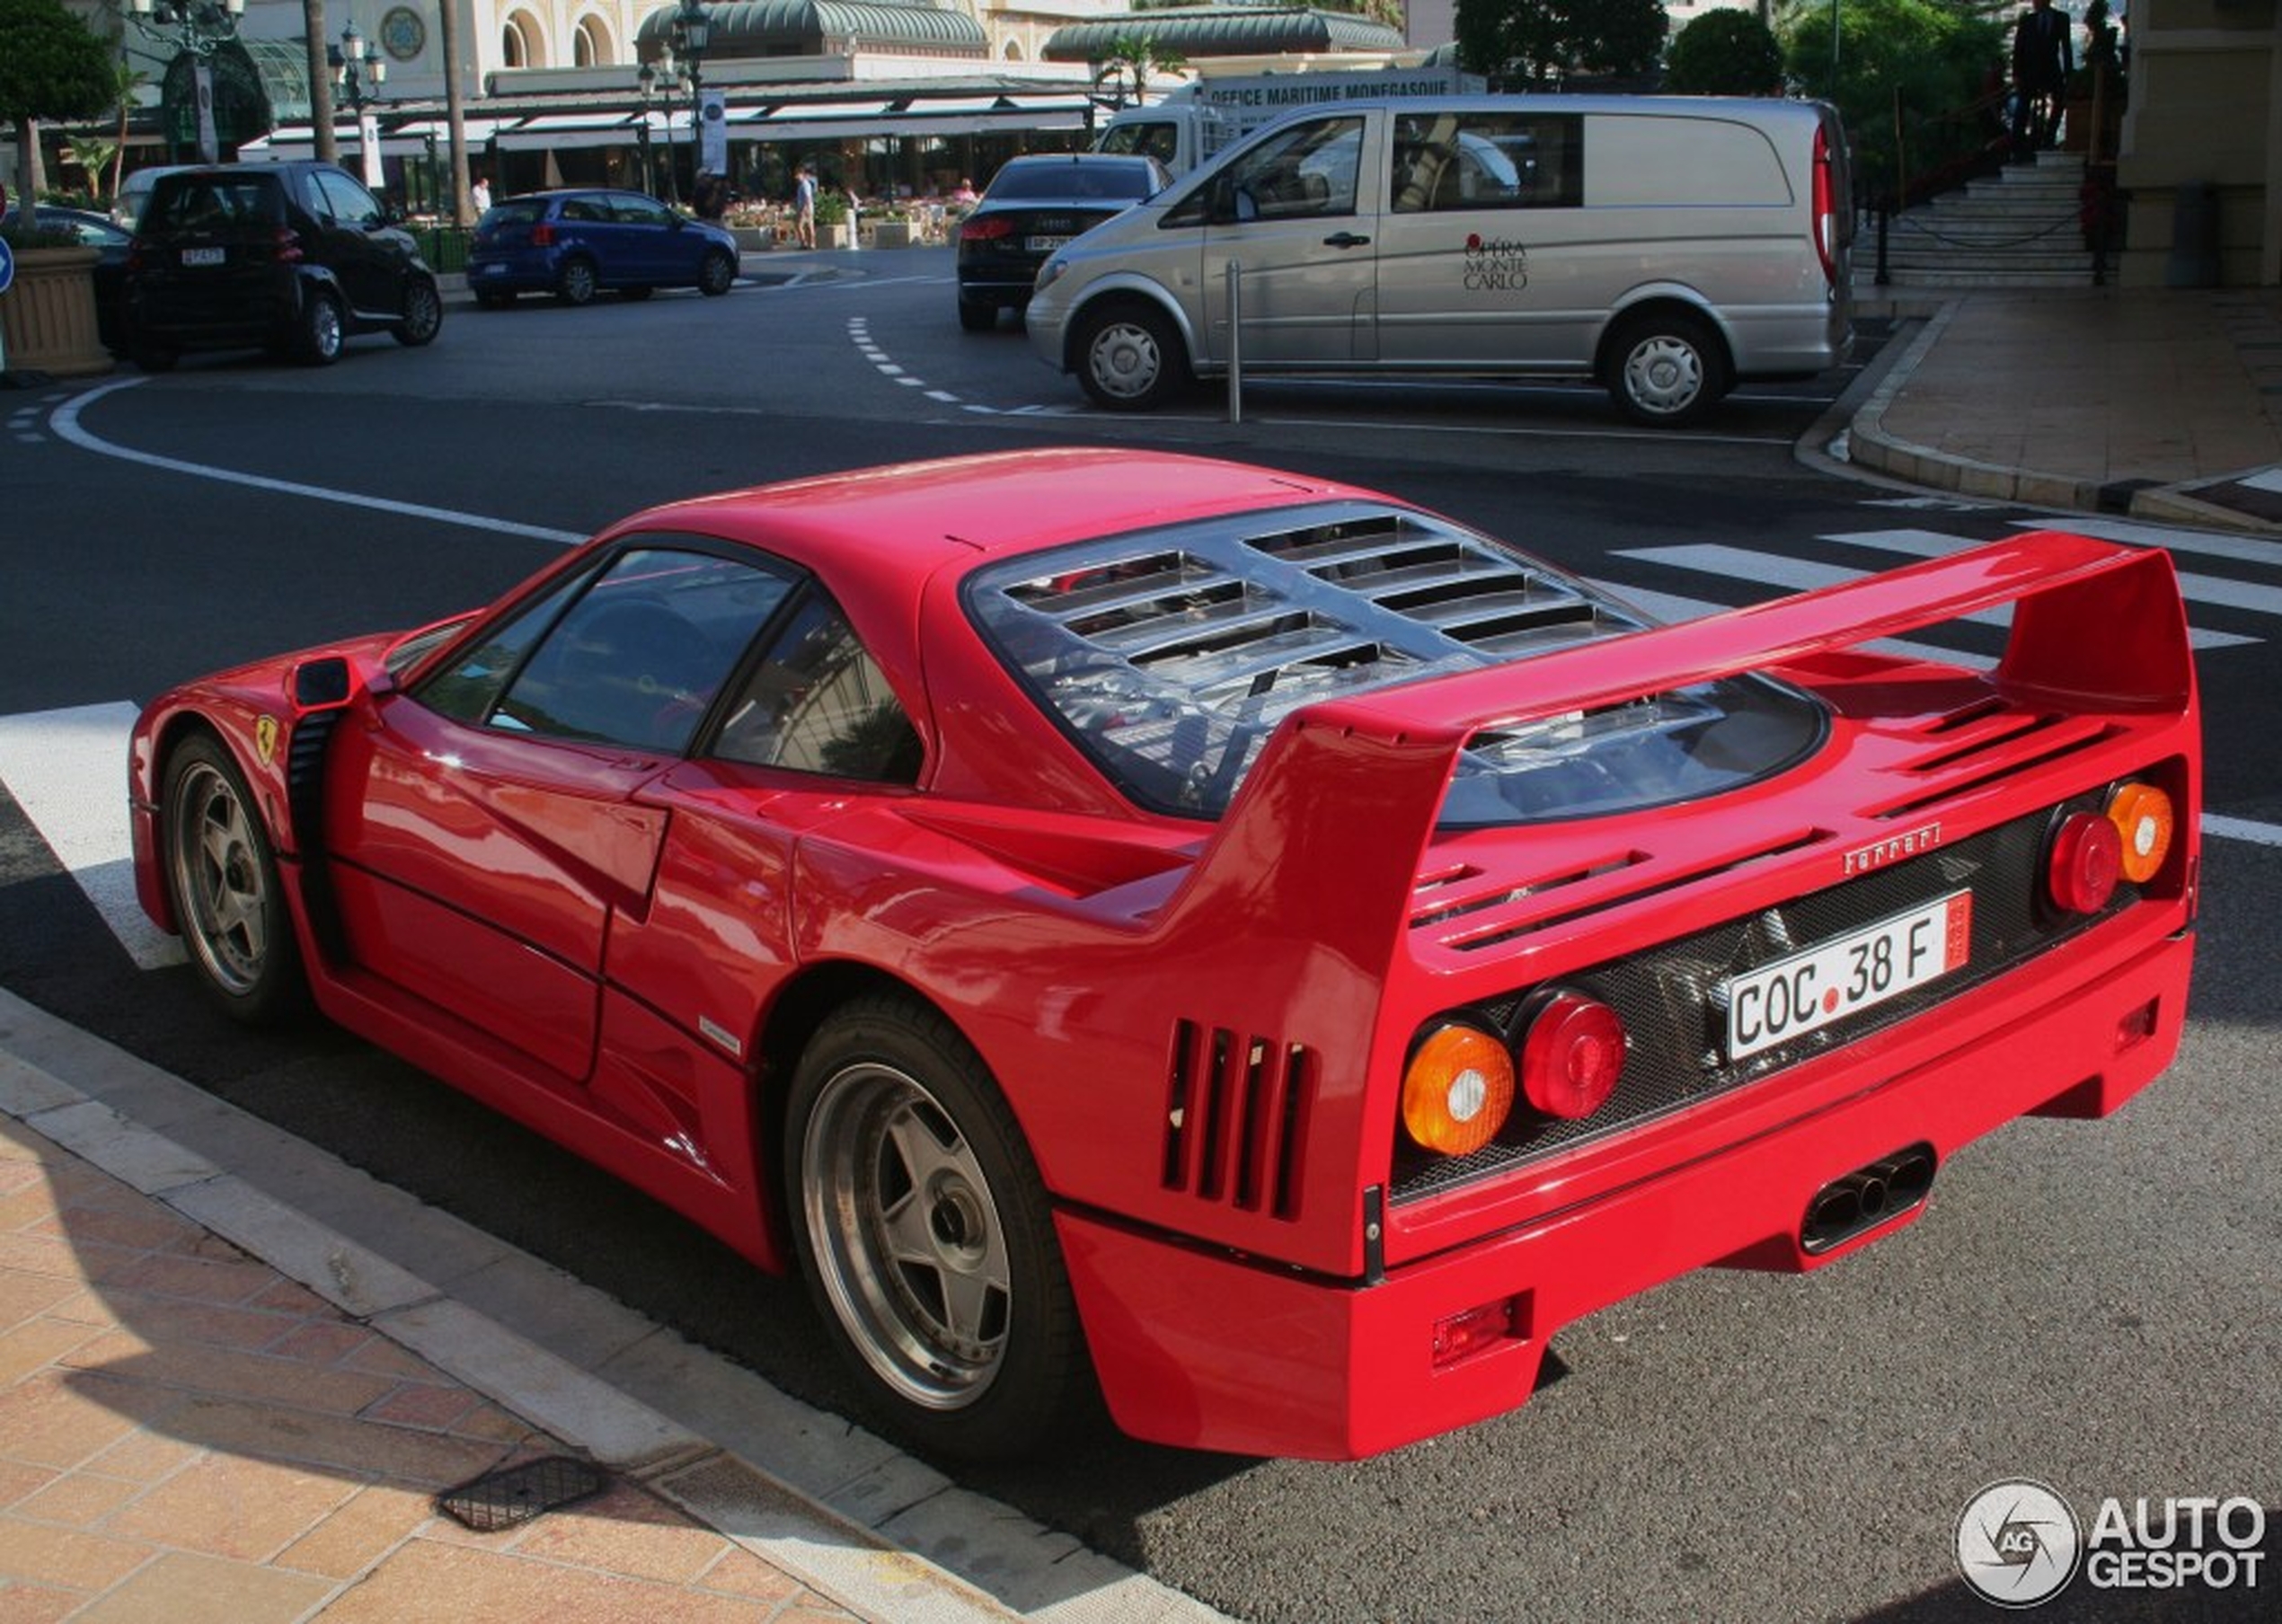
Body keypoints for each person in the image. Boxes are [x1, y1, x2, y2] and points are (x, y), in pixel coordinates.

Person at [2010, 0, 2074, 155]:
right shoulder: (2027, 20)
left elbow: (2066, 47)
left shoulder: (2061, 18)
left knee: (2059, 100)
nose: (2035, 3)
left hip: (2052, 69)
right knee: (2023, 106)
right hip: (2030, 72)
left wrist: (2069, 73)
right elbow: (2019, 48)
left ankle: (2049, 137)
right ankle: (2018, 146)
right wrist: (2016, 74)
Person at [793, 163, 817, 249]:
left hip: (805, 208)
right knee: (809, 226)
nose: (796, 177)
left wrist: (805, 209)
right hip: (805, 207)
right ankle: (811, 244)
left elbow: (808, 197)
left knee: (799, 226)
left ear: (801, 174)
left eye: (797, 175)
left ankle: (804, 243)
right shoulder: (802, 185)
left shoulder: (805, 184)